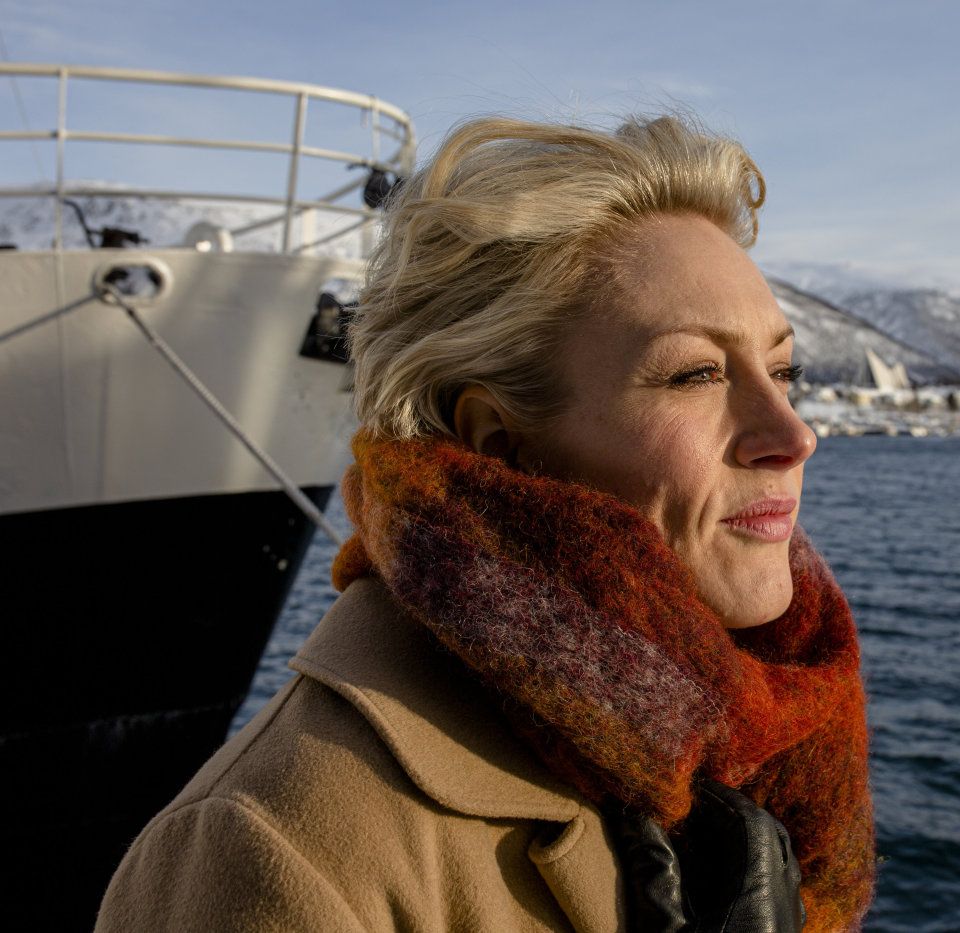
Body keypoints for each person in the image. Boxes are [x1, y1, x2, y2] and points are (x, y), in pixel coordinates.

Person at [97, 113, 875, 931]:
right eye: (696, 374)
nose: (794, 435)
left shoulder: (752, 746)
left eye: (783, 369)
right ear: (499, 445)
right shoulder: (270, 849)